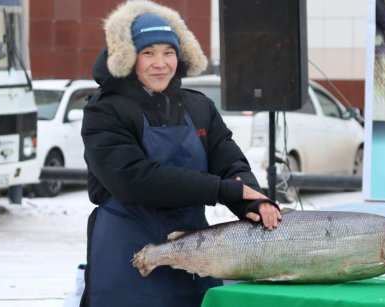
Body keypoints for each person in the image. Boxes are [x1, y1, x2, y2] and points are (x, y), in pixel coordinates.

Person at [79, 1, 282, 306]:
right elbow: (134, 180)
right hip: (128, 253)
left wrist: (251, 201)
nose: (160, 63)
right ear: (130, 58)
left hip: (196, 253)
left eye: (168, 52)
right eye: (148, 53)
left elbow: (228, 160)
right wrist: (223, 189)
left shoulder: (198, 107)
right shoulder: (104, 110)